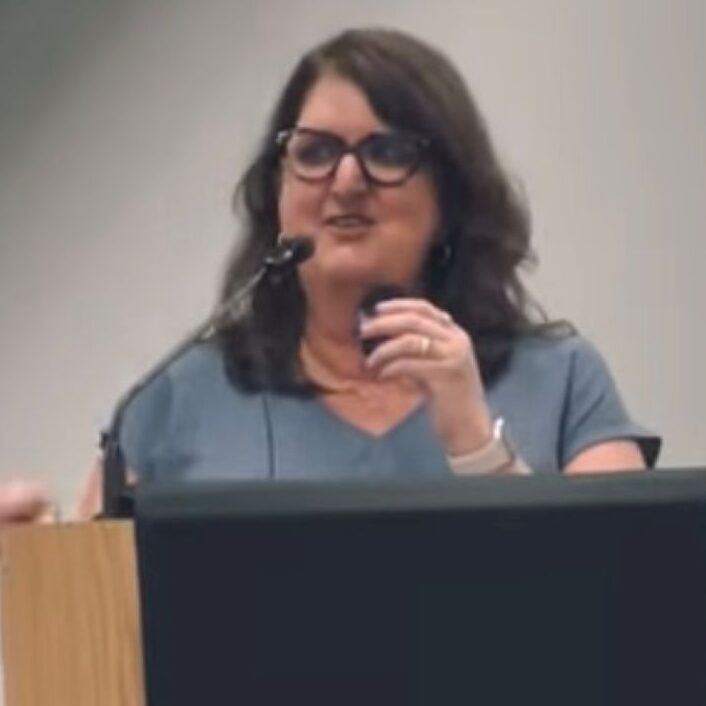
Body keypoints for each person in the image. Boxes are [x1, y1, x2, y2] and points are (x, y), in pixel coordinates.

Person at [25, 28, 665, 520]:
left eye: (386, 152)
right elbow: (94, 613)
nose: (348, 181)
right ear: (277, 194)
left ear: (450, 196)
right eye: (316, 152)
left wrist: (476, 446)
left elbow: (632, 599)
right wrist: (26, 566)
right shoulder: (174, 397)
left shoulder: (561, 382)